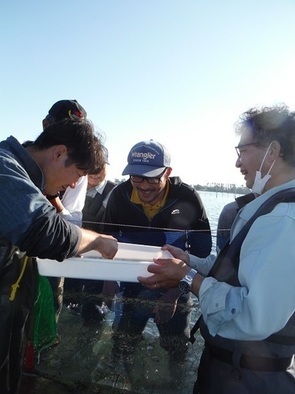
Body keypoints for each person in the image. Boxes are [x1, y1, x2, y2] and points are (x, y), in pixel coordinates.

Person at [139, 105, 295, 393]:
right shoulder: (267, 209)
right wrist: (192, 262)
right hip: (233, 369)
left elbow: (251, 315)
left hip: (250, 380)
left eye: (242, 150)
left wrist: (186, 277)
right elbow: (239, 272)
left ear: (272, 152)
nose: (237, 163)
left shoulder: (284, 220)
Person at [0, 119, 118, 394]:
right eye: (77, 173)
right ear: (58, 153)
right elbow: (43, 231)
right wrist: (97, 240)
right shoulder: (4, 169)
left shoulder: (27, 180)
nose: (75, 184)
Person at [103, 139, 212, 374]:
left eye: (152, 177)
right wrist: (108, 279)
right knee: (122, 343)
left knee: (177, 347)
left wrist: (175, 292)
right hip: (130, 285)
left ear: (168, 172)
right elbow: (106, 240)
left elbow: (202, 252)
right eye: (136, 177)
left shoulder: (187, 197)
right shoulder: (119, 196)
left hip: (174, 285)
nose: (143, 186)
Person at [63, 159, 118, 323]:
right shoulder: (68, 185)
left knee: (93, 311)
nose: (94, 170)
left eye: (99, 165)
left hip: (100, 263)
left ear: (107, 167)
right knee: (68, 304)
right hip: (70, 256)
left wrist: (111, 276)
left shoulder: (116, 193)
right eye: (91, 165)